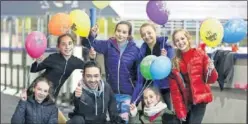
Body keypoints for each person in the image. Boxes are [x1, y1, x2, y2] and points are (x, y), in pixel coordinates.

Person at [88, 21, 140, 122]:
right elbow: (90, 44)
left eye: (124, 32)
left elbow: (138, 76)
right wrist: (92, 34)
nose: (120, 34)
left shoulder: (135, 50)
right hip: (111, 93)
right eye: (118, 31)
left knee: (124, 121)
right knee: (112, 120)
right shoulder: (108, 45)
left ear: (129, 35)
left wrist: (136, 97)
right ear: (115, 31)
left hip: (128, 94)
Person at [168, 29, 218, 124]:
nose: (180, 42)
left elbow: (211, 79)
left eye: (182, 38)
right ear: (175, 43)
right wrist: (180, 111)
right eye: (177, 40)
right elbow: (175, 91)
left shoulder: (200, 54)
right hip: (186, 102)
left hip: (200, 101)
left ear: (188, 38)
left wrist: (211, 70)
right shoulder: (175, 62)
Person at [27, 33, 95, 99]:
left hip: (52, 95)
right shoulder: (52, 58)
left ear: (73, 45)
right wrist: (37, 61)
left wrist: (92, 58)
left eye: (70, 43)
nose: (67, 47)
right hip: (37, 91)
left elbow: (90, 68)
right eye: (63, 44)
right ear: (58, 47)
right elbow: (33, 70)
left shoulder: (75, 61)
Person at [132, 23, 174, 110]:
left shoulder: (166, 47)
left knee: (166, 116)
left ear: (155, 32)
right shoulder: (141, 51)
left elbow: (173, 69)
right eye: (143, 35)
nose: (147, 36)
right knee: (147, 117)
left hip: (163, 89)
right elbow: (140, 75)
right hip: (147, 90)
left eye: (149, 33)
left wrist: (165, 60)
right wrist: (134, 101)